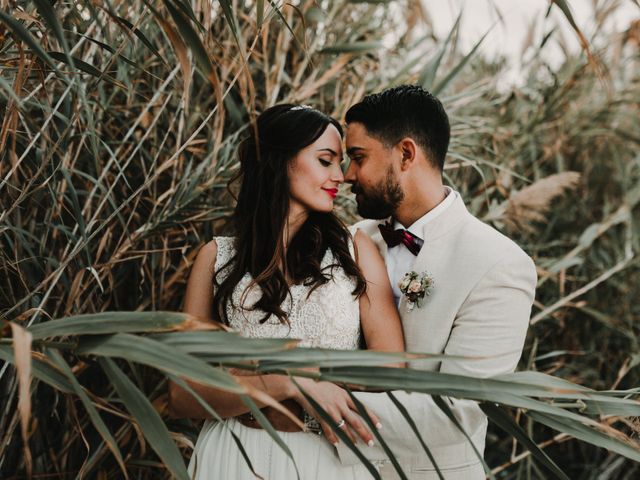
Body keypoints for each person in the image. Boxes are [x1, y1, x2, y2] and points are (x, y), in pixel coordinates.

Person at [168, 104, 405, 479]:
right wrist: (289, 379)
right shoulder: (216, 258)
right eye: (325, 160)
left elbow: (393, 369)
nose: (340, 177)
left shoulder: (356, 249)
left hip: (326, 462)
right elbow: (182, 395)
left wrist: (251, 375)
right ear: (279, 161)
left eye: (340, 162)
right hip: (236, 456)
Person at [332, 85, 537, 479]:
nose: (347, 176)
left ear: (406, 154)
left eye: (358, 157)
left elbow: (460, 410)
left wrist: (314, 406)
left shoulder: (498, 263)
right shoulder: (350, 241)